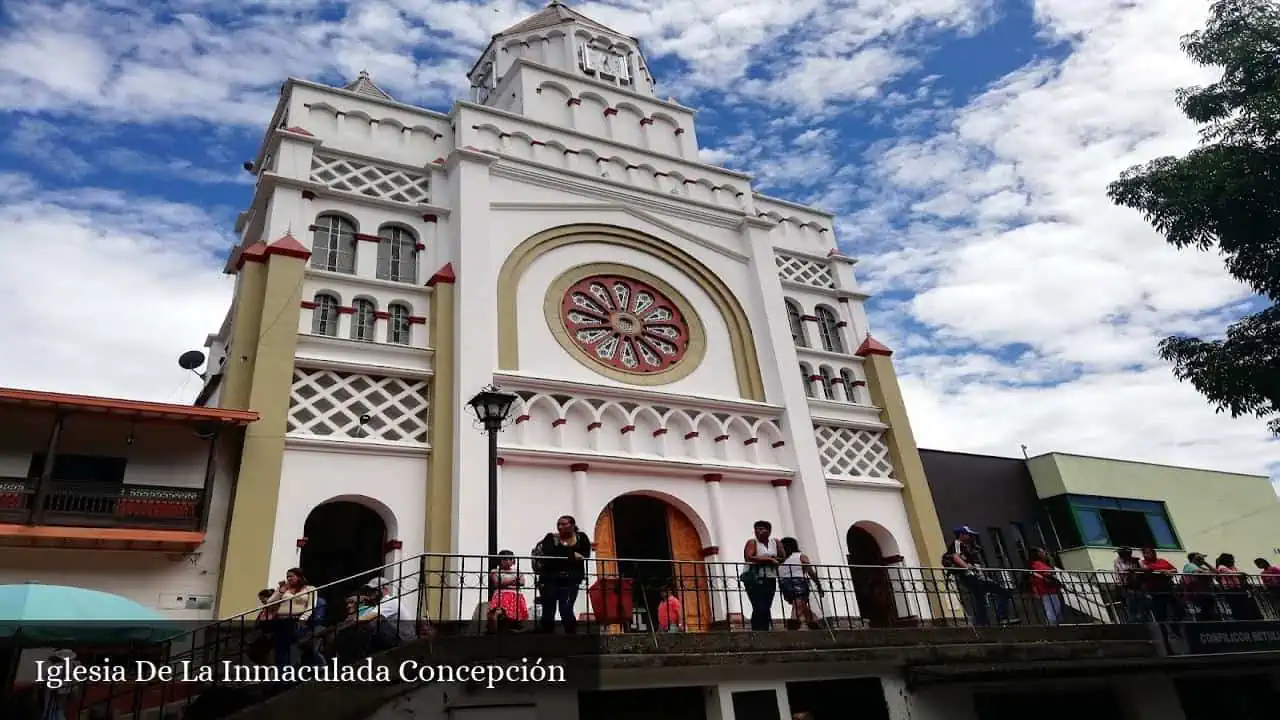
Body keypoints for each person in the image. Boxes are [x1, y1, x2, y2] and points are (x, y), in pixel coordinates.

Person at [942, 526, 1015, 627]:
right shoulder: (957, 544)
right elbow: (955, 556)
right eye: (969, 534)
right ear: (962, 535)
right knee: (983, 597)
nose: (971, 537)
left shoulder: (970, 547)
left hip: (976, 577)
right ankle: (989, 620)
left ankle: (992, 619)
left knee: (989, 596)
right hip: (969, 577)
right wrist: (967, 567)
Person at [533, 515, 591, 634]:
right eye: (558, 524)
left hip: (571, 578)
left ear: (572, 525)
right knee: (549, 607)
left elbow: (586, 553)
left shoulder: (581, 538)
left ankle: (571, 632)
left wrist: (563, 552)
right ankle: (547, 632)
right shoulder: (550, 537)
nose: (560, 527)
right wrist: (572, 554)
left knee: (566, 607)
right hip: (550, 578)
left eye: (564, 524)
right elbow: (550, 553)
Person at [264, 567, 316, 666]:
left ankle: (296, 672)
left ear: (299, 577)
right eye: (287, 577)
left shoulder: (310, 589)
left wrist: (303, 618)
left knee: (297, 647)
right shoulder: (284, 589)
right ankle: (281, 673)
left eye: (291, 576)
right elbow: (269, 602)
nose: (289, 579)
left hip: (298, 620)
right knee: (281, 648)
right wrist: (280, 591)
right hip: (282, 621)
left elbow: (311, 606)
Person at [742, 520, 782, 631]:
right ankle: (758, 630)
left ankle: (762, 629)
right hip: (755, 577)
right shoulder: (752, 542)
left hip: (770, 577)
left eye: (761, 529)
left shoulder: (774, 543)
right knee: (759, 605)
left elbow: (782, 557)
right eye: (756, 529)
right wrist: (769, 559)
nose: (758, 531)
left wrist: (775, 558)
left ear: (769, 531)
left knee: (766, 605)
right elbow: (749, 557)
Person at [778, 537, 824, 630]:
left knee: (802, 606)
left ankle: (815, 625)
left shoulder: (781, 561)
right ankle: (792, 629)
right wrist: (818, 583)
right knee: (798, 607)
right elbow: (810, 570)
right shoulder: (800, 556)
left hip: (785, 585)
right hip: (798, 583)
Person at [488, 550, 530, 632]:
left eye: (510, 559)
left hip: (515, 594)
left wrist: (505, 582)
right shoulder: (495, 571)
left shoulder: (517, 571)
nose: (507, 561)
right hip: (501, 594)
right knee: (499, 611)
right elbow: (497, 583)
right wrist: (513, 579)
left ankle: (515, 625)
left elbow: (522, 582)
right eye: (504, 559)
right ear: (499, 560)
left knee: (516, 610)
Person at [1139, 549, 1181, 623]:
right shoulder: (1142, 562)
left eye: (1148, 553)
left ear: (1154, 553)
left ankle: (1176, 627)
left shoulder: (1162, 560)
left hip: (1169, 588)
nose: (1146, 555)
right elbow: (1146, 570)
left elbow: (1174, 569)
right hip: (1155, 591)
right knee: (1160, 613)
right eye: (1144, 553)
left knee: (1177, 610)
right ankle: (1164, 630)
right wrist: (1160, 571)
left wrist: (1168, 571)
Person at [1214, 553, 1259, 620]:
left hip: (1238, 587)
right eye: (1231, 559)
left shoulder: (1232, 567)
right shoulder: (1221, 567)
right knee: (1236, 605)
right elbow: (1230, 573)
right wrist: (1241, 574)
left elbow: (1238, 572)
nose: (1233, 561)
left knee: (1245, 605)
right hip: (1231, 588)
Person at [1028, 548, 1064, 626]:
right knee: (1052, 609)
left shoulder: (1040, 563)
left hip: (1048, 590)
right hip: (1046, 590)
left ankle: (1053, 625)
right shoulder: (1037, 564)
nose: (1044, 553)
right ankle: (1052, 627)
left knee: (1054, 608)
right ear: (1038, 554)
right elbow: (1045, 573)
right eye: (1042, 552)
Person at [1180, 552, 1217, 621]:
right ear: (1192, 559)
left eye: (1202, 558)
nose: (1201, 560)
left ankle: (1209, 627)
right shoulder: (1189, 565)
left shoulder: (1201, 567)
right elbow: (1199, 572)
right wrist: (1208, 573)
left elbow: (1215, 572)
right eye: (1199, 558)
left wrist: (1206, 563)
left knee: (1210, 611)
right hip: (1196, 593)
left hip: (1206, 592)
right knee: (1204, 611)